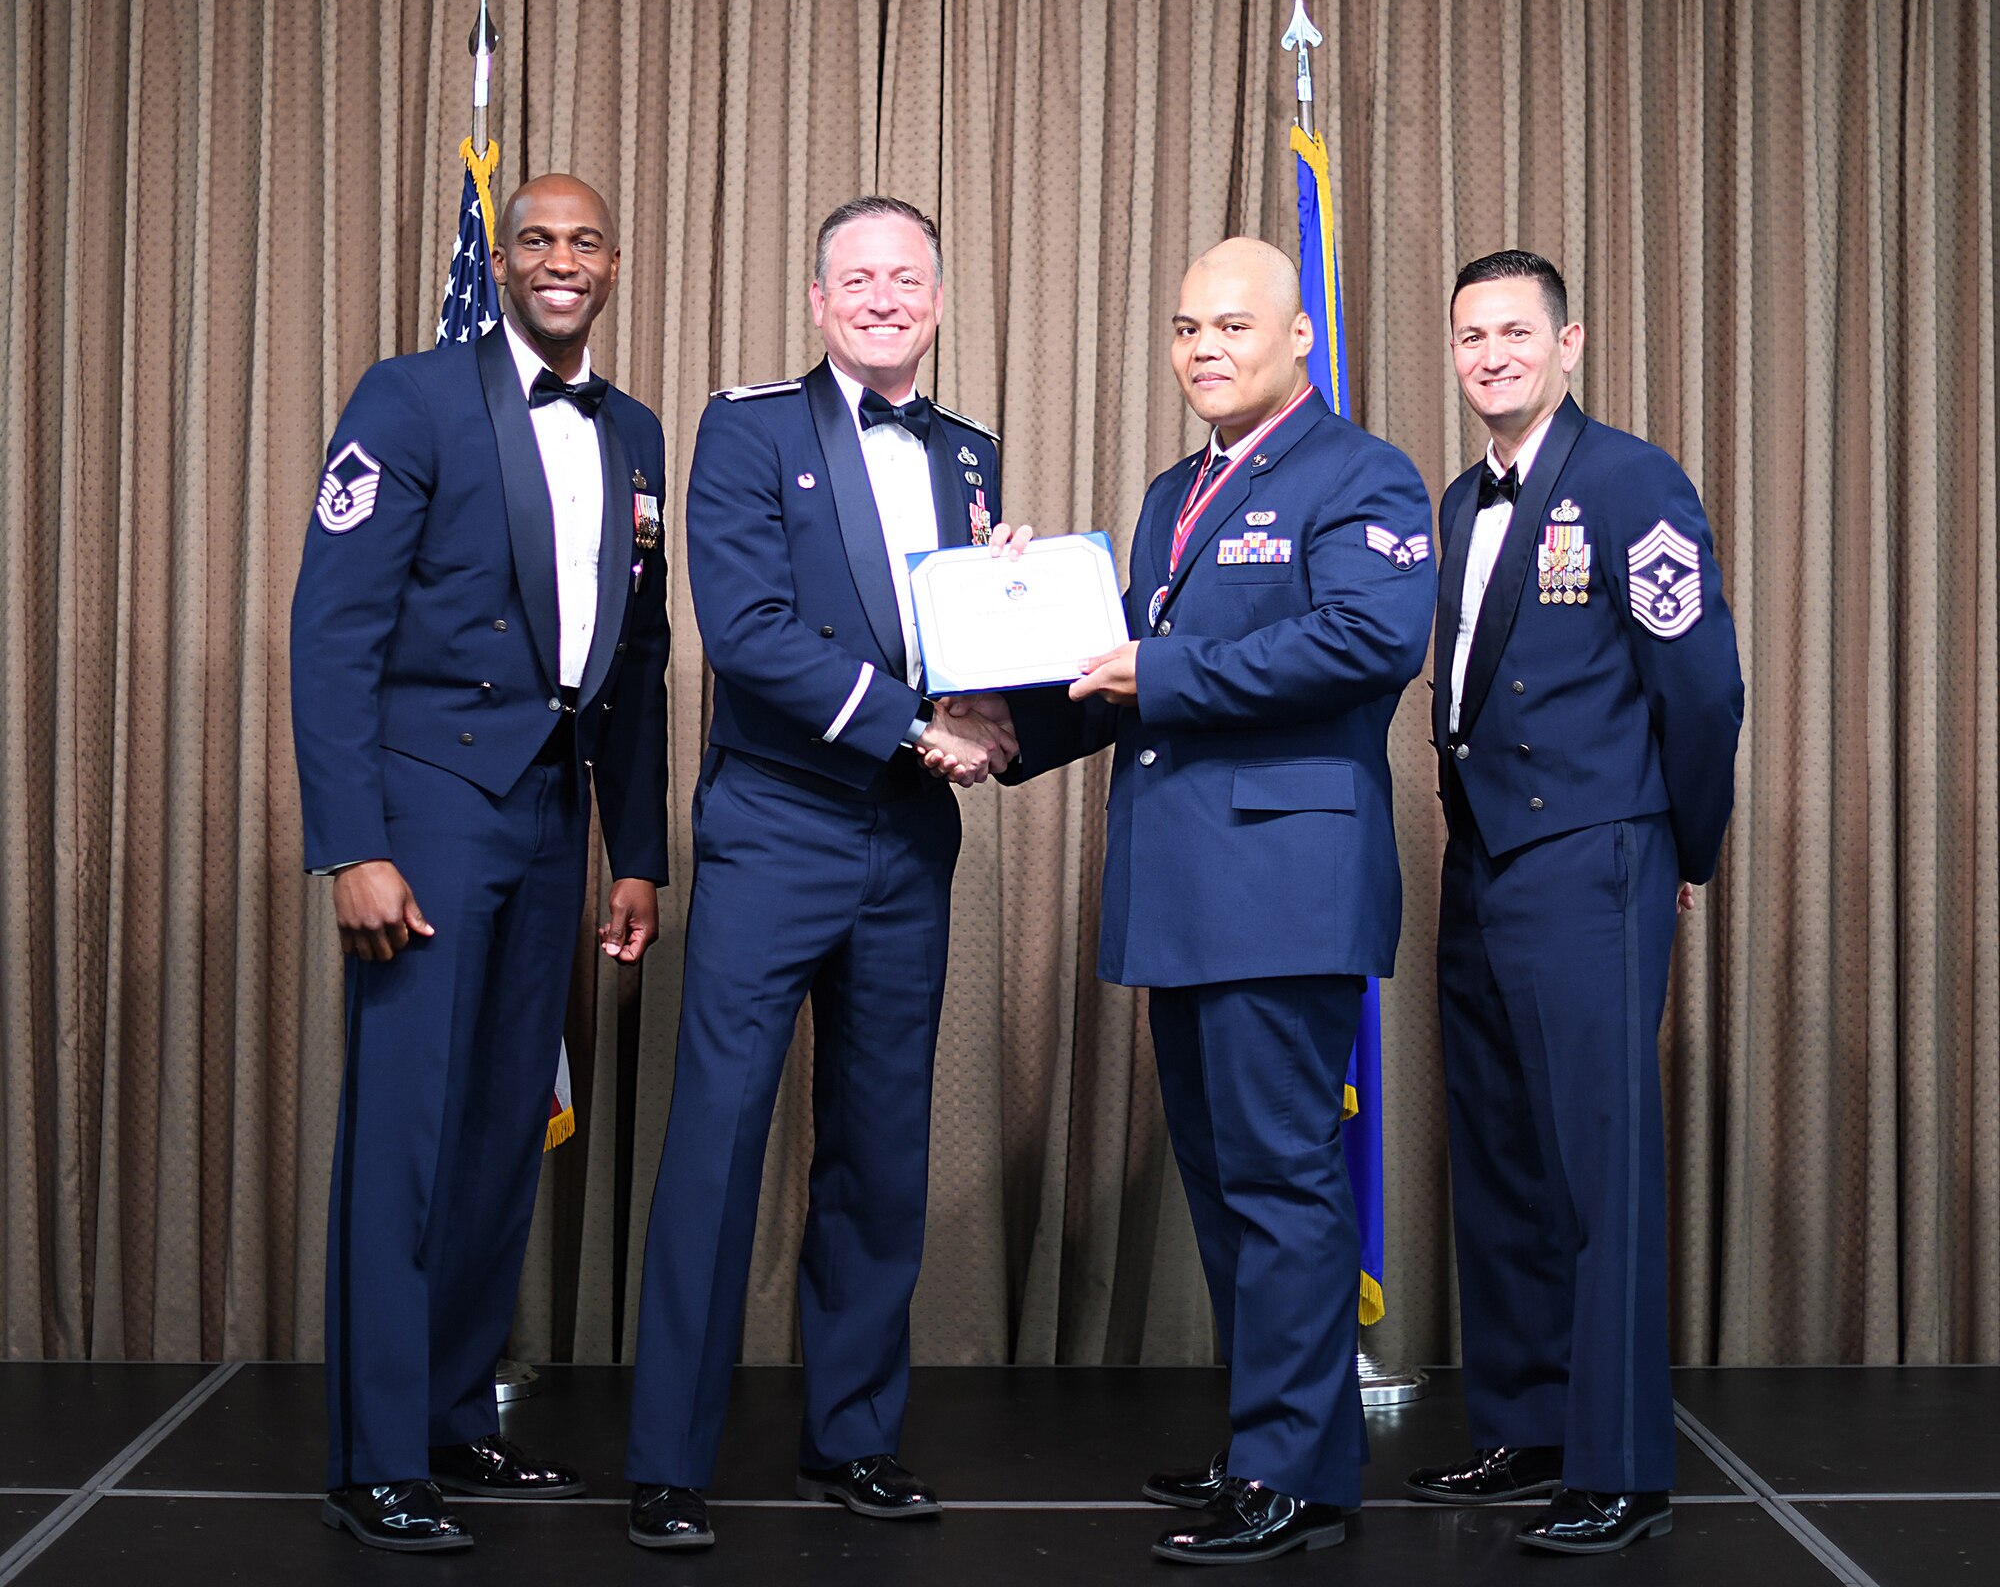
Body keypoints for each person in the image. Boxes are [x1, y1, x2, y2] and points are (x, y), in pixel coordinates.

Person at [1000, 237, 1435, 1565]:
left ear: (1301, 336)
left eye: (1234, 326)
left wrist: (1163, 669)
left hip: (1281, 888)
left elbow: (1368, 640)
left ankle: (1293, 1475)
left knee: (1282, 1182)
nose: (1204, 349)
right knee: (1228, 1184)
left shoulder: (1361, 474)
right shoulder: (1172, 493)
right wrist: (1002, 707)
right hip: (1187, 890)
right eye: (1188, 327)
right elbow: (1119, 670)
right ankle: (1276, 1443)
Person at [622, 196, 1018, 1552]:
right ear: (816, 300)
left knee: (880, 1146)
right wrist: (914, 725)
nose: (884, 297)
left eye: (907, 278)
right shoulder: (748, 428)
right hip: (776, 827)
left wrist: (1007, 641)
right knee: (719, 1136)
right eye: (858, 278)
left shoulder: (970, 452)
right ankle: (668, 1459)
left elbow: (960, 643)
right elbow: (747, 630)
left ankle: (855, 1437)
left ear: (939, 301)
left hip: (908, 840)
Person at [291, 174, 670, 1553]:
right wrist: (355, 843)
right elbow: (333, 630)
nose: (561, 260)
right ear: (501, 263)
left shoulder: (635, 431)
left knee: (508, 1125)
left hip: (557, 810)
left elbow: (641, 656)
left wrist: (637, 851)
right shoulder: (409, 398)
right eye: (536, 240)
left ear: (613, 265)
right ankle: (376, 1456)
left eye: (585, 241)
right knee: (407, 1133)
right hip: (432, 806)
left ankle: (456, 1416)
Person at [1404, 250, 1743, 1554]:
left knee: (1599, 1168)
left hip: (1594, 855)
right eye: (1470, 337)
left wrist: (1682, 848)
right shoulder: (1457, 497)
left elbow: (1701, 686)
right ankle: (1528, 1424)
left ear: (1570, 343)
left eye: (1514, 333)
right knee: (1501, 1156)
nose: (1490, 356)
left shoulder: (1631, 481)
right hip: (1483, 858)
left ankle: (1620, 1466)